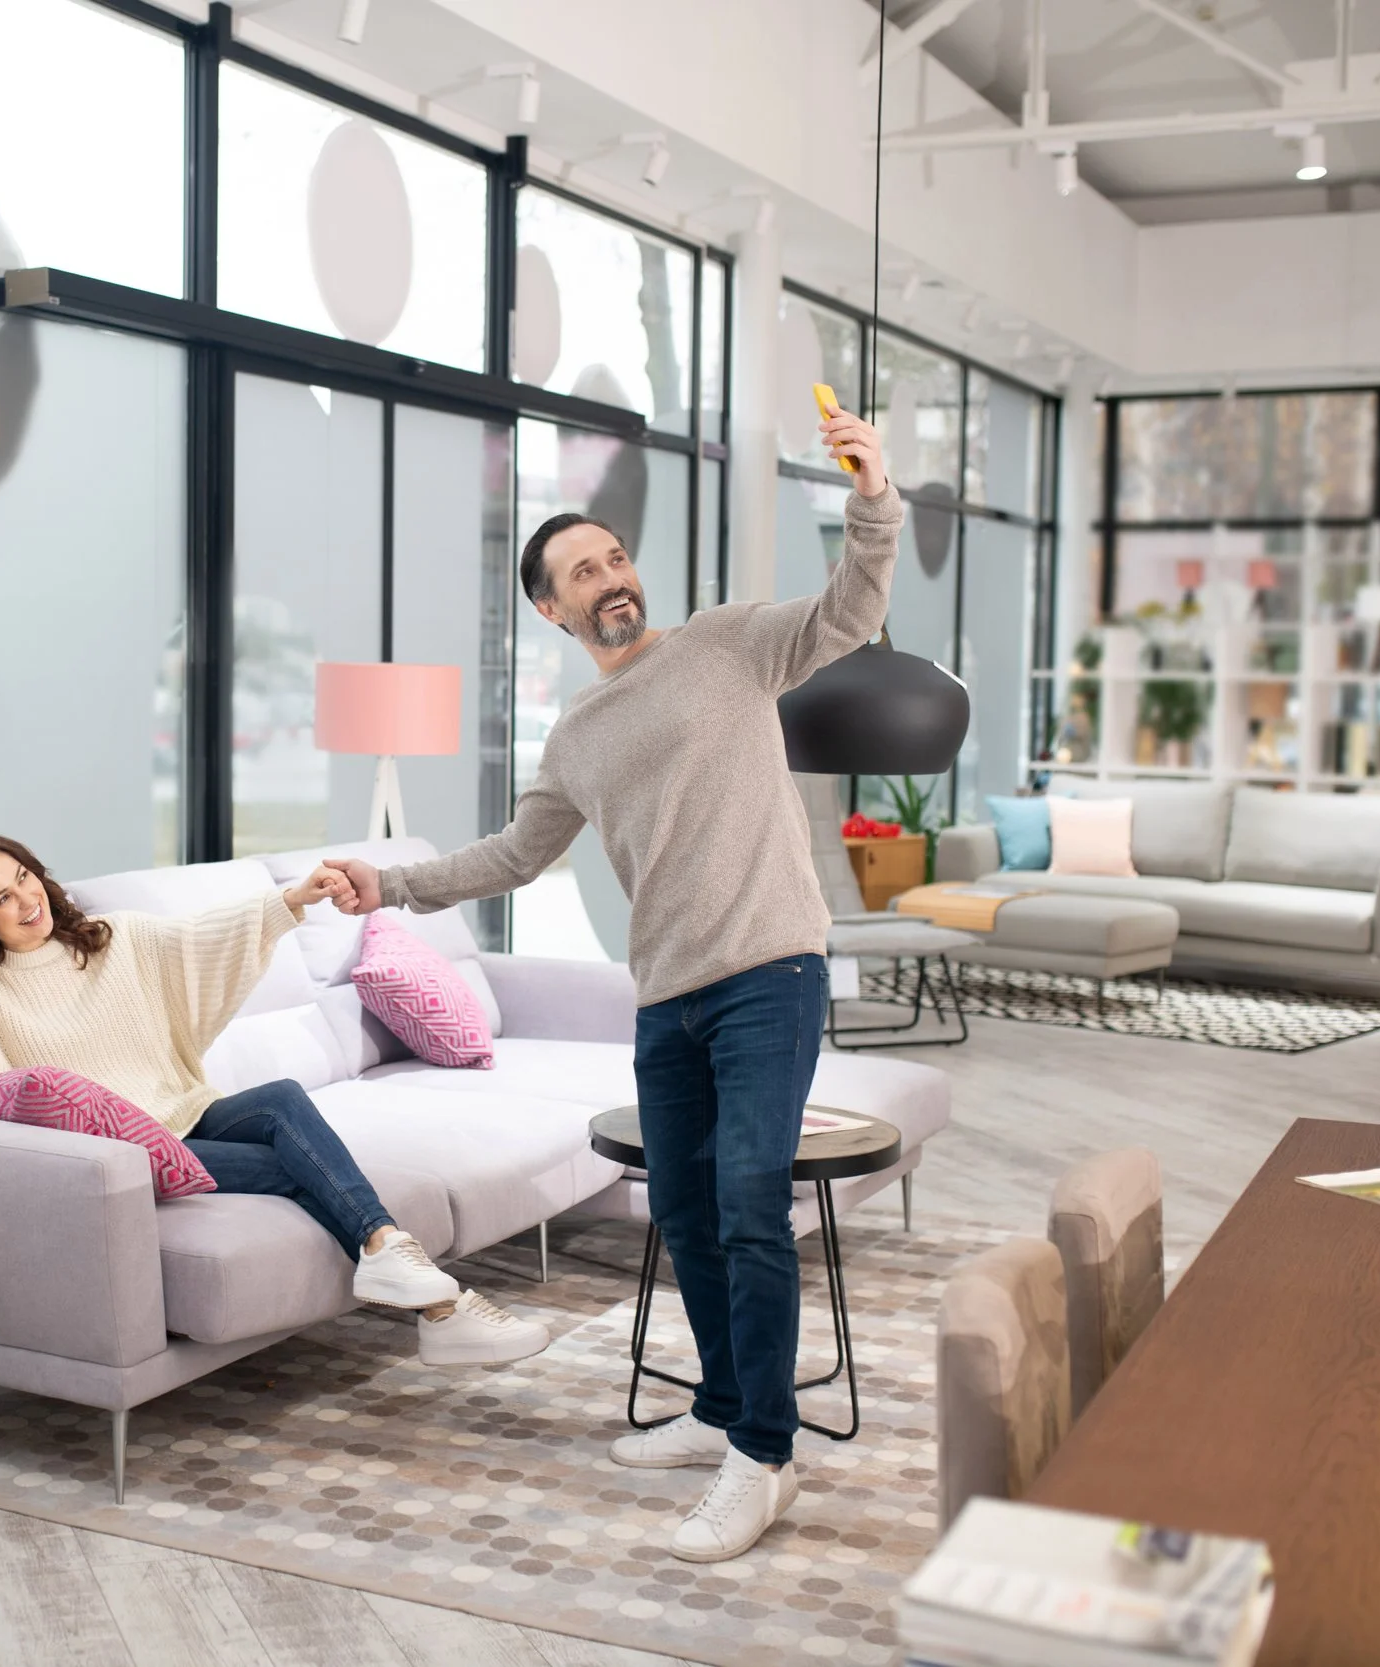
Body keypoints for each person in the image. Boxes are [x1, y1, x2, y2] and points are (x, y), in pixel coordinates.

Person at [330, 398, 899, 1562]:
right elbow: (512, 855)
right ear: (552, 608)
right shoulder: (577, 735)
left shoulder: (730, 643)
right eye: (582, 572)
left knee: (747, 1202)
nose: (609, 576)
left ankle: (764, 1456)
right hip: (668, 995)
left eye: (615, 555)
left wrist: (872, 493)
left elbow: (853, 604)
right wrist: (386, 887)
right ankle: (719, 1408)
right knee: (684, 1211)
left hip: (771, 972)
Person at [0, 830, 551, 1368]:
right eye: (2, 899)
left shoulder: (114, 940)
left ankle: (393, 1255)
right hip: (139, 1153)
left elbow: (207, 938)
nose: (27, 901)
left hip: (186, 1109)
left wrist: (291, 900)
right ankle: (441, 1305)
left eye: (25, 879)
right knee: (301, 1166)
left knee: (278, 1101)